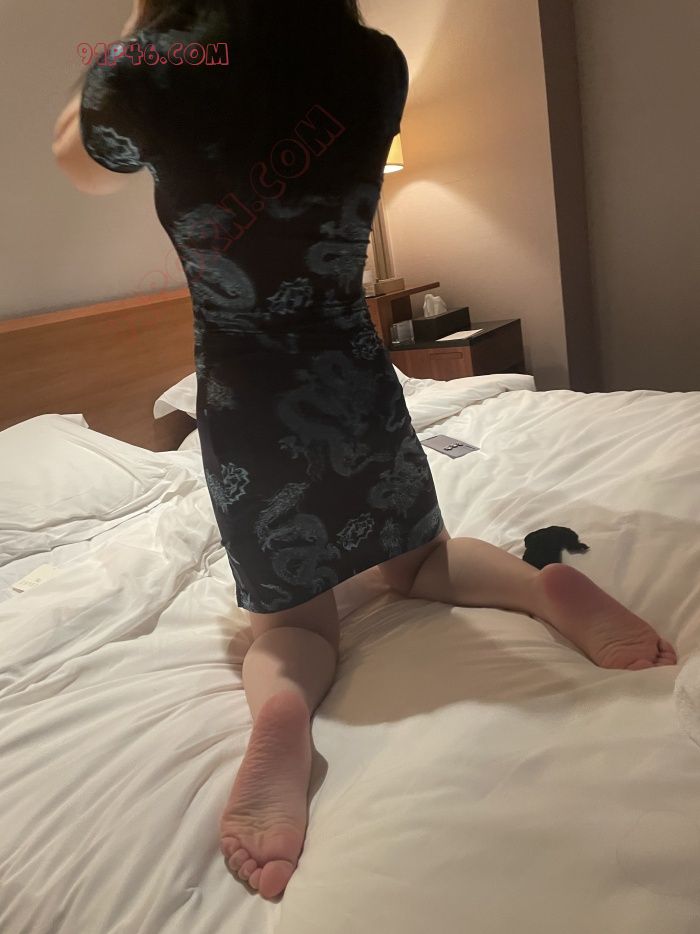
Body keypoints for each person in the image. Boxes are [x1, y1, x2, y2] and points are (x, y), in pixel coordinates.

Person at [53, 0, 677, 902]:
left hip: (246, 399)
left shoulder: (148, 74)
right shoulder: (373, 65)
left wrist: (142, 24)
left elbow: (79, 160)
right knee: (421, 563)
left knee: (295, 626)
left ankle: (282, 713)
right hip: (353, 372)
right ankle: (543, 590)